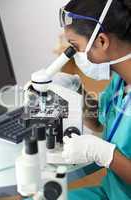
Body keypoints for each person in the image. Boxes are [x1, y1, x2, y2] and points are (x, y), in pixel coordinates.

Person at [59, 0, 131, 199]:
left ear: (101, 41)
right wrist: (77, 94)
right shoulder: (120, 81)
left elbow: (102, 146)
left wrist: (104, 154)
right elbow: (99, 123)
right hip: (111, 193)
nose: (74, 56)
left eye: (75, 47)